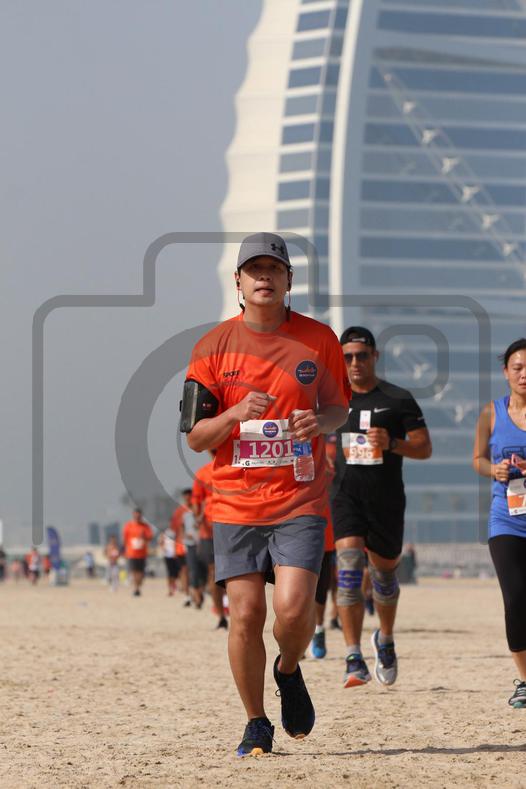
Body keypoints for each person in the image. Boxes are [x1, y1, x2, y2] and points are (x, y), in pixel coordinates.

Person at [181, 232, 350, 756]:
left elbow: (338, 409)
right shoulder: (211, 348)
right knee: (247, 614)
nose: (264, 278)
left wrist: (318, 421)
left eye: (274, 269)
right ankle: (256, 721)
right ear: (238, 281)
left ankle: (289, 668)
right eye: (254, 270)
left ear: (288, 280)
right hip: (236, 503)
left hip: (300, 498)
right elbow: (196, 438)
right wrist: (234, 414)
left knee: (294, 611)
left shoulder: (319, 339)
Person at [331, 326, 432, 689]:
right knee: (348, 571)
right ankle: (353, 656)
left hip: (386, 500)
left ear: (375, 356)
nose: (355, 363)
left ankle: (385, 640)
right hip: (345, 497)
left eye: (362, 355)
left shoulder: (398, 398)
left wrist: (392, 443)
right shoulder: (332, 399)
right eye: (347, 357)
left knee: (385, 578)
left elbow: (424, 448)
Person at [473, 338, 526, 709]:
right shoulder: (491, 413)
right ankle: (524, 679)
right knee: (516, 598)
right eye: (517, 367)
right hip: (506, 519)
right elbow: (476, 458)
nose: (524, 375)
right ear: (505, 371)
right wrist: (494, 469)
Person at [193, 455, 228, 629]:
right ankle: (221, 615)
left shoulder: (235, 466)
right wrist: (198, 517)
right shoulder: (203, 473)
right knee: (214, 572)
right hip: (209, 531)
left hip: (233, 527)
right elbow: (196, 502)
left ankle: (228, 608)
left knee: (235, 574)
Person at [122, 507, 153, 597]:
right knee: (134, 571)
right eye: (136, 515)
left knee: (141, 573)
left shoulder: (145, 526)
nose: (137, 516)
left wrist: (144, 537)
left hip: (142, 553)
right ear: (133, 515)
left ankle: (138, 586)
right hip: (131, 552)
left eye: (139, 515)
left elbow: (150, 537)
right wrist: (124, 551)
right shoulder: (128, 525)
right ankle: (136, 588)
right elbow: (125, 539)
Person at [170, 491, 192, 607]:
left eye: (190, 497)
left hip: (197, 544)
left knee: (195, 570)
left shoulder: (198, 509)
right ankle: (187, 595)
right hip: (181, 546)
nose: (188, 499)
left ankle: (196, 591)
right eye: (186, 497)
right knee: (184, 570)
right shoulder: (179, 512)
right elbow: (174, 530)